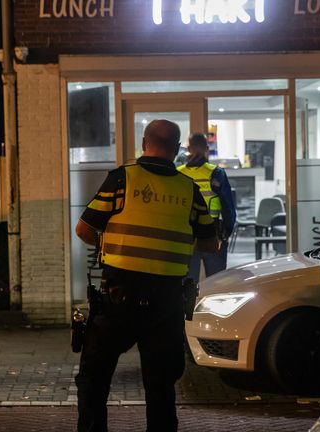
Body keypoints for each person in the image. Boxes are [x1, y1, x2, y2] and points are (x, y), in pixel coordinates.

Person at [74, 119, 219, 432]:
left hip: (118, 297)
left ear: (144, 142)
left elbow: (84, 229)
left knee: (94, 378)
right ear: (178, 150)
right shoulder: (188, 188)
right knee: (161, 385)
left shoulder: (122, 179)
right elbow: (211, 242)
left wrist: (114, 242)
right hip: (166, 302)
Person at [177, 132, 237, 281]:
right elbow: (228, 207)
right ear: (206, 148)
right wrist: (226, 233)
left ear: (188, 149)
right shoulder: (216, 173)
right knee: (217, 283)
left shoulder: (178, 174)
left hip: (187, 235)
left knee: (187, 283)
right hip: (213, 232)